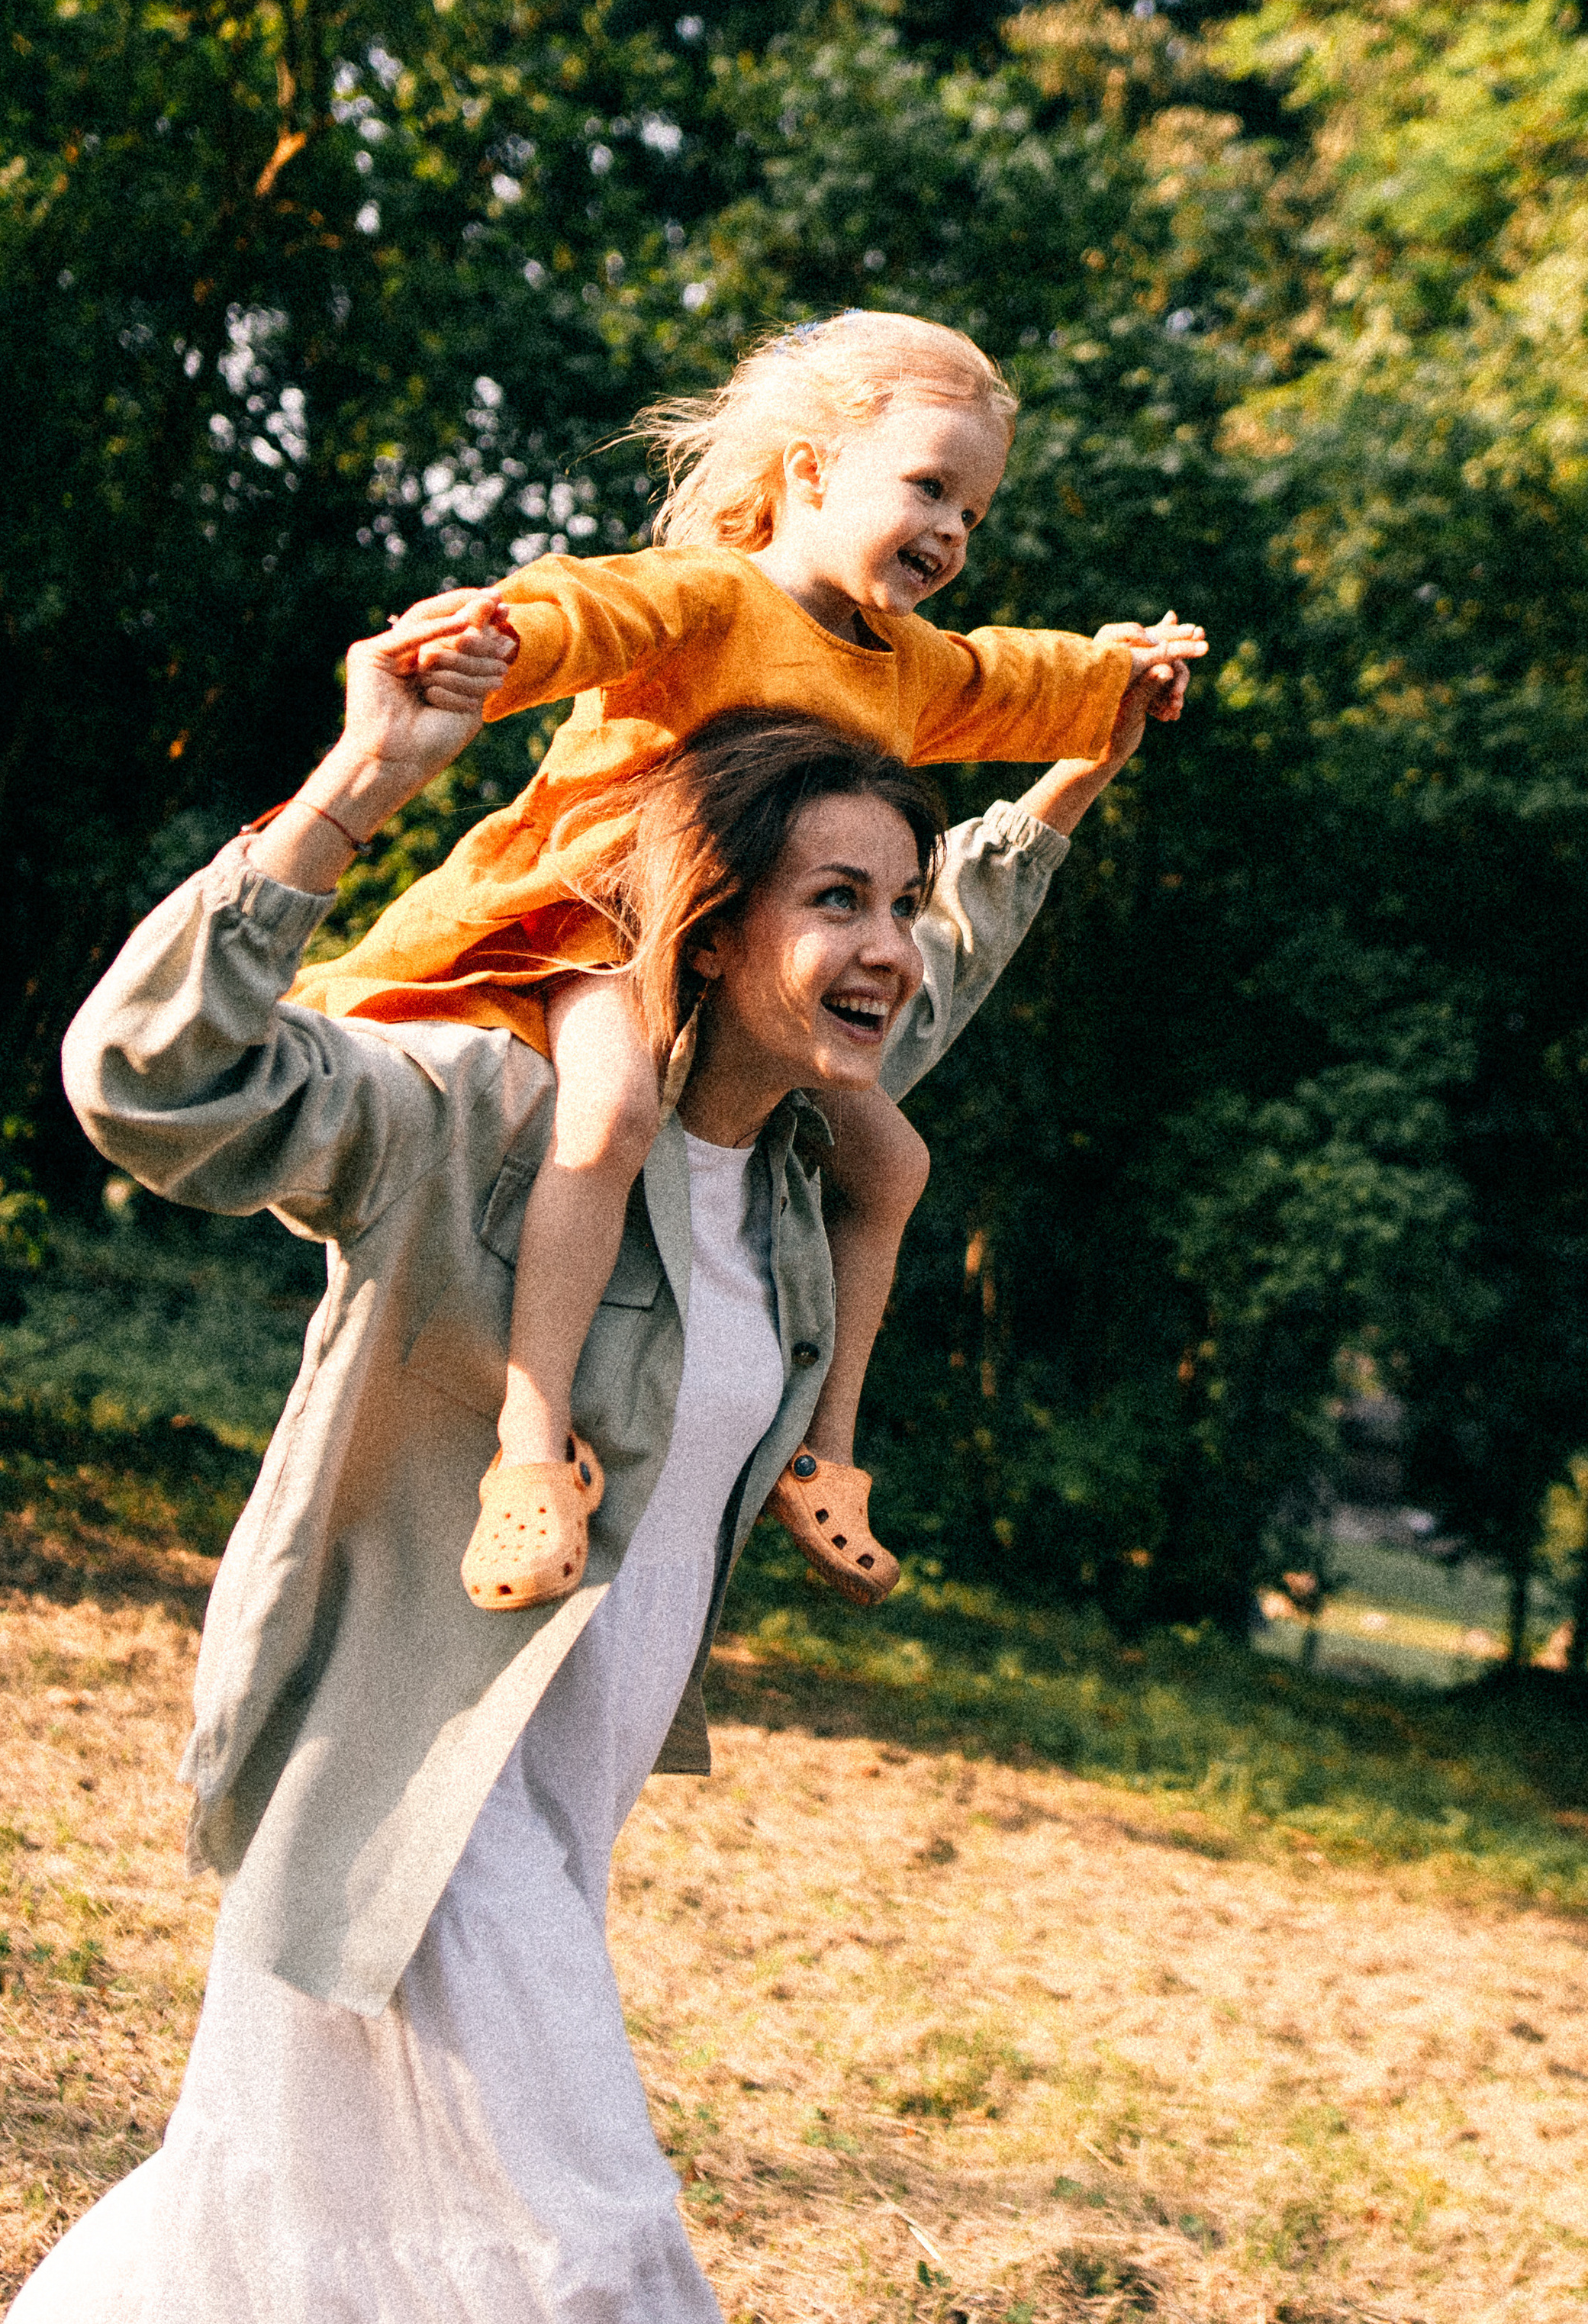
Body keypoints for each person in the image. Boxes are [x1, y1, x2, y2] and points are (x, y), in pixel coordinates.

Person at [0, 584, 1183, 2324]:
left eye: (895, 903)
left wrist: (1082, 759)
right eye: (833, 898)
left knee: (262, 2221)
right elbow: (153, 1082)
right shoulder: (478, 1118)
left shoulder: (782, 1159)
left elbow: (965, 939)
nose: (887, 946)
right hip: (407, 1795)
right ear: (711, 915)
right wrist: (360, 782)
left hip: (548, 1813)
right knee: (603, 2278)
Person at [288, 310, 1205, 1614]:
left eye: (975, 514)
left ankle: (824, 1453)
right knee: (604, 1117)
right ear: (810, 473)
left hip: (758, 970)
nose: (951, 533)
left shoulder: (905, 667)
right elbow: (593, 606)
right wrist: (501, 641)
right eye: (929, 487)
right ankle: (530, 1450)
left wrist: (1119, 676)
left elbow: (1010, 681)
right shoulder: (715, 603)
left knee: (892, 1160)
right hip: (609, 922)